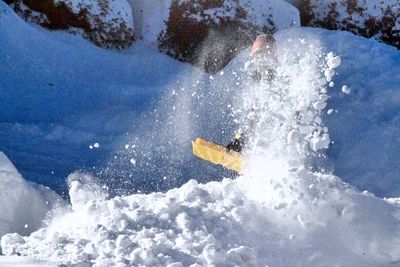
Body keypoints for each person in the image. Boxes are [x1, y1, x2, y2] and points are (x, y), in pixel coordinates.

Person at [226, 33, 277, 153]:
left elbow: (257, 113)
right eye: (256, 55)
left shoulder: (274, 76)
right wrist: (238, 139)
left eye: (262, 54)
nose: (258, 59)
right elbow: (252, 114)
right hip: (265, 128)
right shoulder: (257, 75)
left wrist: (240, 139)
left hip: (277, 127)